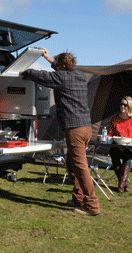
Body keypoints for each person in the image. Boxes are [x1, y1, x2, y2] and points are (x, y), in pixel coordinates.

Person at [21, 49, 99, 216]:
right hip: (86, 128)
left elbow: (42, 75)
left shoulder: (62, 78)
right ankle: (78, 198)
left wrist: (26, 72)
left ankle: (92, 206)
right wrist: (48, 58)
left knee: (80, 167)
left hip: (75, 130)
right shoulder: (79, 75)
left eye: (58, 64)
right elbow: (59, 70)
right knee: (72, 164)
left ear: (63, 65)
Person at [108, 96, 132, 193]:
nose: (122, 106)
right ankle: (124, 184)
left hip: (131, 146)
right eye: (121, 104)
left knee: (128, 155)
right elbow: (110, 133)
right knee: (113, 152)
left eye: (125, 105)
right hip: (118, 145)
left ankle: (120, 186)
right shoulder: (115, 118)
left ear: (130, 107)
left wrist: (130, 143)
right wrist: (107, 137)